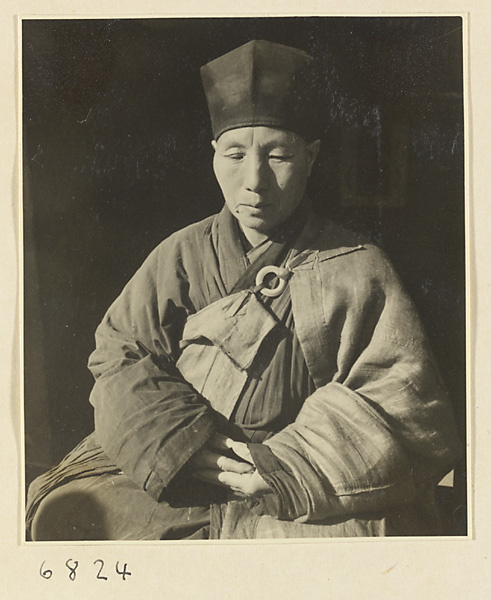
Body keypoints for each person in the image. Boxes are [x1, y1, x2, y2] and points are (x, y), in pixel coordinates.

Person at [26, 39, 462, 540]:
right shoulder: (182, 253)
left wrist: (287, 465)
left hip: (299, 481)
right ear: (213, 156)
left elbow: (403, 399)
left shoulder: (357, 265)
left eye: (278, 155)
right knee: (67, 515)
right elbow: (120, 353)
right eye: (235, 154)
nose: (254, 180)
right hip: (185, 466)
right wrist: (181, 442)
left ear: (312, 157)